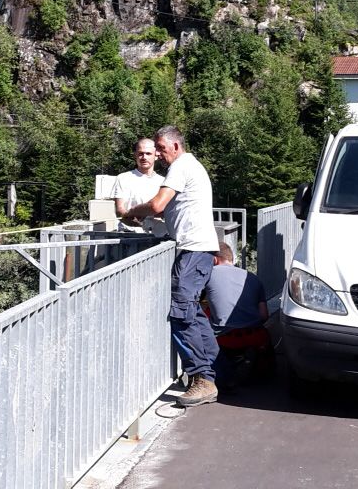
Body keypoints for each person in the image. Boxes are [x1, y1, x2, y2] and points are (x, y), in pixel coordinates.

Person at [124, 125, 220, 407]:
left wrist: (131, 211)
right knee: (192, 312)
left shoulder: (181, 166)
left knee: (181, 312)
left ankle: (203, 379)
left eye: (161, 149)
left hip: (193, 250)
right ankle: (214, 369)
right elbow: (171, 210)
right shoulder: (190, 167)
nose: (158, 155)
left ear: (175, 146)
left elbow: (158, 204)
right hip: (199, 250)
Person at [206, 242, 273, 388]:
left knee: (205, 313)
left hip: (223, 338)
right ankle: (251, 362)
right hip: (254, 335)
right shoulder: (253, 278)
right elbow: (264, 315)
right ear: (231, 258)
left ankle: (224, 374)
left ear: (214, 260)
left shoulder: (209, 274)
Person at [110, 138, 165, 233]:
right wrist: (133, 221)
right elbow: (119, 210)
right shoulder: (123, 178)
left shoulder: (164, 182)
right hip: (129, 235)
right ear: (135, 155)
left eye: (148, 153)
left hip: (157, 235)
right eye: (140, 153)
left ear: (156, 156)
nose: (144, 157)